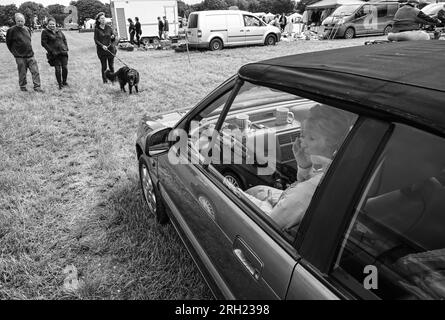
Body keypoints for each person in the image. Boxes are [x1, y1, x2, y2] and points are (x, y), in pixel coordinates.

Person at [242, 104, 356, 230]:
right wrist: (304, 166)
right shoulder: (338, 166)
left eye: (312, 138)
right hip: (290, 199)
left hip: (274, 221)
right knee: (257, 190)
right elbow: (304, 183)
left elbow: (270, 223)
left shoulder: (308, 191)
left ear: (333, 144)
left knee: (243, 195)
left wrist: (237, 194)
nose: (304, 143)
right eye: (303, 135)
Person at [6, 13, 43, 92]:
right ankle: (23, 87)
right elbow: (8, 43)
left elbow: (29, 39)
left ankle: (37, 87)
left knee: (35, 71)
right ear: (15, 21)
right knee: (22, 73)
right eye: (18, 21)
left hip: (30, 55)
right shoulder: (11, 30)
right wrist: (14, 53)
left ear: (24, 21)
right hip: (20, 57)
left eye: (21, 21)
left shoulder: (27, 29)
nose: (20, 22)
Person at [41, 17, 69, 90]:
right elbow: (43, 43)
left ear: (55, 24)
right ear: (48, 24)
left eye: (53, 24)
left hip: (63, 52)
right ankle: (60, 84)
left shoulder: (58, 31)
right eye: (50, 24)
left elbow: (64, 39)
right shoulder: (45, 32)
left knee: (65, 68)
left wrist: (66, 47)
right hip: (54, 54)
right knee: (58, 69)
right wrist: (51, 51)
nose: (52, 26)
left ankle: (64, 82)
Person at [94, 12, 116, 84]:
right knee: (104, 66)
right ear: (99, 20)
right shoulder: (97, 29)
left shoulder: (109, 27)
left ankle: (113, 79)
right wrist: (102, 46)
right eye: (102, 18)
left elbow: (113, 37)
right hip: (102, 51)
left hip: (110, 49)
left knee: (111, 66)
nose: (103, 19)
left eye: (104, 18)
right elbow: (96, 40)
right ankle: (105, 81)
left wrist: (113, 37)